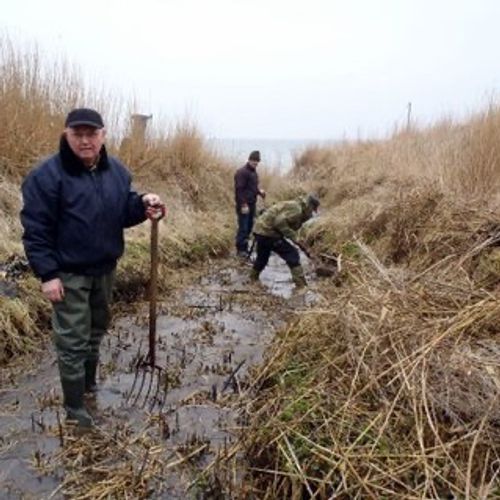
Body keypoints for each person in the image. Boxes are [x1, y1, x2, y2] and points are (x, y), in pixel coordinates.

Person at [20, 108, 166, 428]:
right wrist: (48, 275)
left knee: (95, 331)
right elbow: (36, 230)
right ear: (66, 135)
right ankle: (75, 410)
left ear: (103, 136)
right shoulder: (46, 176)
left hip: (104, 268)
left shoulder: (116, 171)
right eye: (78, 134)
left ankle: (87, 387)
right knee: (72, 340)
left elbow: (123, 210)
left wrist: (144, 204)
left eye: (91, 134)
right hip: (68, 273)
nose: (85, 140)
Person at [250, 193, 320, 288]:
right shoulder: (297, 210)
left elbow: (289, 227)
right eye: (312, 210)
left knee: (262, 258)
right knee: (293, 254)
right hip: (268, 233)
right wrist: (295, 238)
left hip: (260, 230)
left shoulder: (296, 206)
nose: (312, 213)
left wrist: (302, 245)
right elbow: (279, 222)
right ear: (309, 205)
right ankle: (301, 286)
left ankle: (252, 280)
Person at [234, 150, 266, 257]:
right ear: (249, 160)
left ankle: (245, 247)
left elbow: (252, 188)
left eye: (257, 161)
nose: (255, 163)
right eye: (253, 161)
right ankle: (240, 250)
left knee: (249, 227)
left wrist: (259, 192)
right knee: (243, 227)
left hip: (252, 204)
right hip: (244, 205)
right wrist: (243, 204)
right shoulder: (241, 172)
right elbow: (239, 190)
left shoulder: (254, 172)